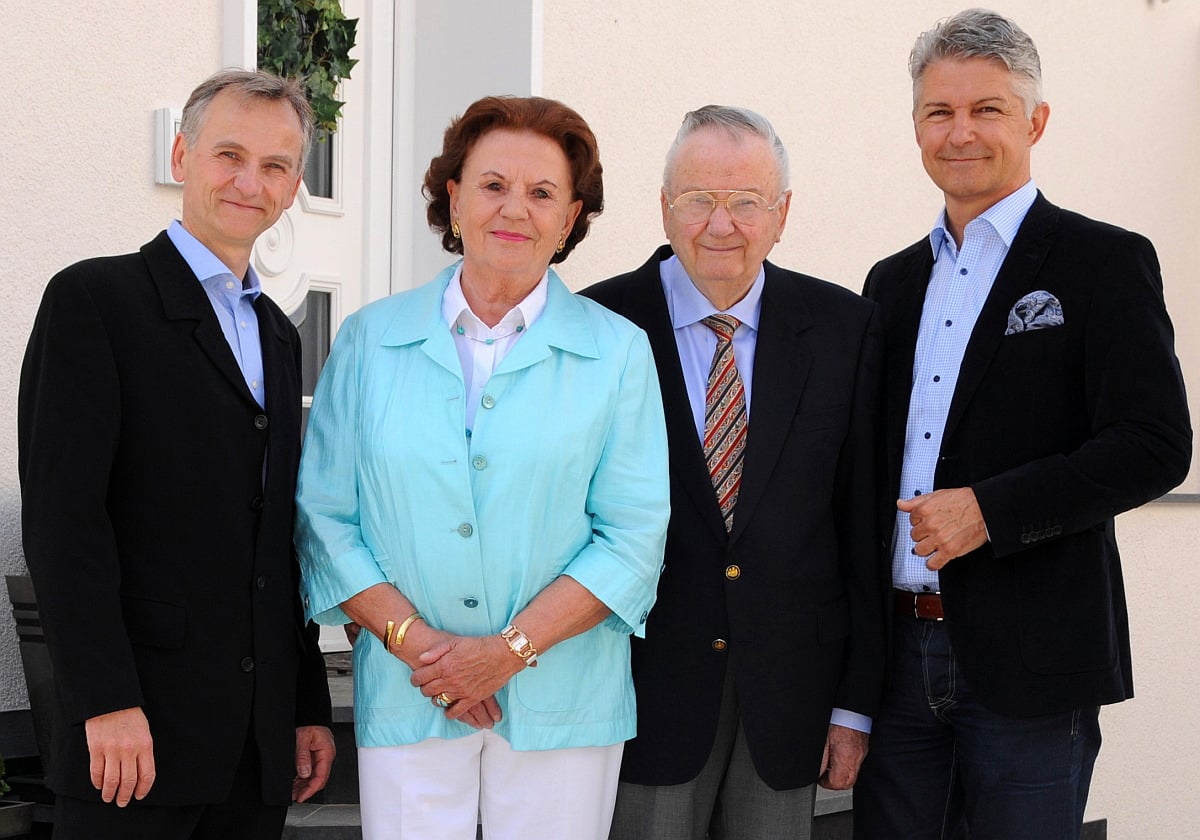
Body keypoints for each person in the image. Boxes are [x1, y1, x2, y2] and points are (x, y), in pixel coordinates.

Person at [852, 9, 1192, 839]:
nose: (960, 132)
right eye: (940, 112)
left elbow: (1155, 445)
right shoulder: (889, 284)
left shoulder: (1102, 261)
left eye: (987, 110)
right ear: (916, 127)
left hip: (1033, 661)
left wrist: (991, 512)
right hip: (894, 660)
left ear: (1035, 121)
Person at [294, 95, 670, 840]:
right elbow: (325, 517)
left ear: (569, 219)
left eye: (542, 193)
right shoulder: (370, 340)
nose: (514, 209)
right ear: (454, 197)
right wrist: (430, 654)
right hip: (412, 692)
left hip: (563, 703)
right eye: (493, 185)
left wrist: (505, 654)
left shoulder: (619, 351)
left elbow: (631, 537)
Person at [18, 69, 336, 840]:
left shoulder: (280, 336)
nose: (249, 182)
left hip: (252, 751)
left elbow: (280, 539)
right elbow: (66, 524)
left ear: (294, 186)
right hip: (134, 741)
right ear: (183, 153)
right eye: (230, 154)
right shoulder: (94, 302)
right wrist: (102, 699)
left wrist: (303, 706)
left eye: (275, 166)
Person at [582, 105, 886, 840]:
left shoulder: (847, 329)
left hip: (792, 698)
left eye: (747, 202)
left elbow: (864, 525)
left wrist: (855, 704)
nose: (722, 223)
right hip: (640, 689)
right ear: (664, 209)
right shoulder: (596, 327)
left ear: (782, 215)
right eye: (698, 200)